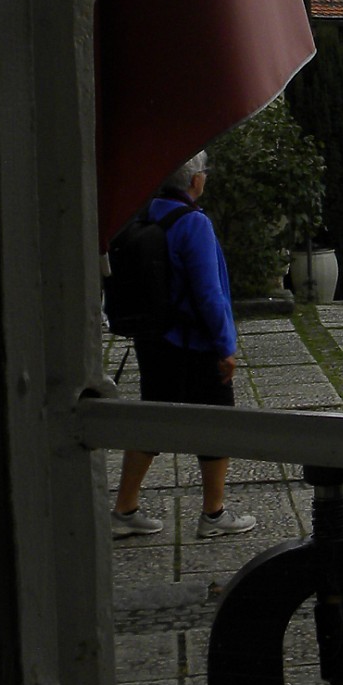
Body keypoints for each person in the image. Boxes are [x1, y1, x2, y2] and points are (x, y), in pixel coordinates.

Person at [111, 152, 256, 540]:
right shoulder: (194, 224)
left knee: (153, 417)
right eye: (203, 174)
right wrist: (226, 345)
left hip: (153, 337)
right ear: (194, 181)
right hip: (192, 341)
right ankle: (214, 513)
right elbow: (210, 294)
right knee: (217, 420)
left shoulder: (147, 214)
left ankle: (124, 508)